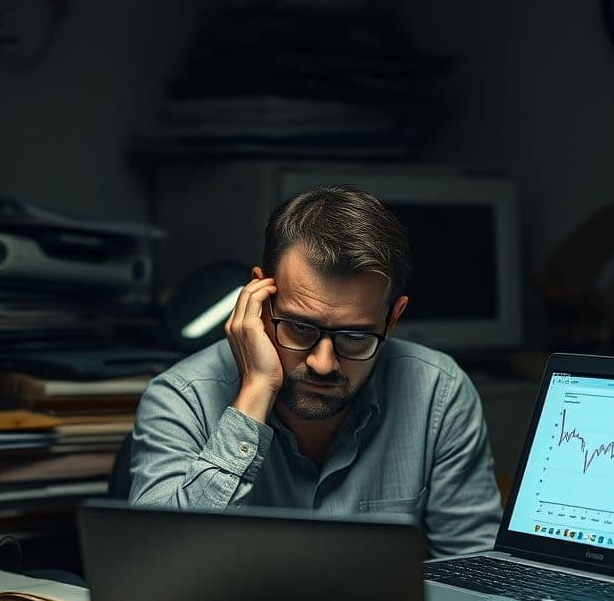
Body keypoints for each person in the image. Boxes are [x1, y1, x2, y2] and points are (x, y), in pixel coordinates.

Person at [130, 185, 502, 557]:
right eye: (299, 328)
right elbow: (157, 564)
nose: (323, 363)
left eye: (355, 335)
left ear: (393, 318)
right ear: (260, 297)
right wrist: (255, 392)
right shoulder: (182, 396)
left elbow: (475, 569)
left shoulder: (438, 392)